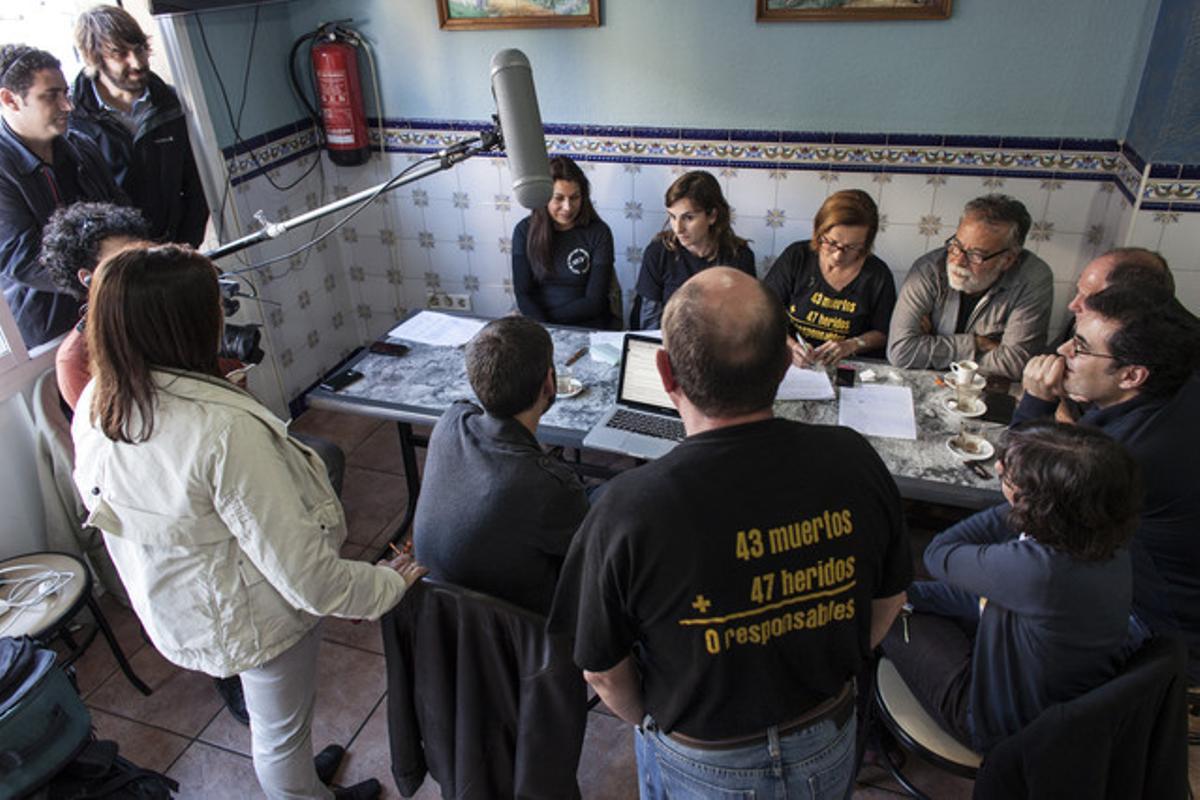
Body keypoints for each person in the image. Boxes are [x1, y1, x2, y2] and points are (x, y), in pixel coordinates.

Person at [71, 244, 424, 800]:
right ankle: (302, 792)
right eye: (216, 307)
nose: (223, 318)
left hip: (182, 601)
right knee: (279, 732)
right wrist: (386, 584)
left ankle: (304, 777)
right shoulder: (222, 433)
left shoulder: (98, 399)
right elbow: (308, 579)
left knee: (277, 724)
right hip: (252, 617)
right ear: (183, 324)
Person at [548, 267, 911, 799]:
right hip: (827, 735)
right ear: (786, 365)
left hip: (701, 756)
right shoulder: (854, 458)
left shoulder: (626, 508)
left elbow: (602, 671)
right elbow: (892, 596)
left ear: (666, 373)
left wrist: (651, 721)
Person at [882, 421, 1140, 753]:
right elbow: (990, 597)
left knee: (879, 611)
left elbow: (938, 554)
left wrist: (1019, 501)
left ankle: (872, 736)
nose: (999, 468)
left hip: (1000, 727)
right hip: (1053, 699)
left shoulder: (1039, 569)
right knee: (905, 598)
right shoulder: (1108, 542)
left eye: (1009, 474)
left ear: (1040, 503)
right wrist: (911, 595)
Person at [1014, 283, 1200, 682]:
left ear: (1132, 374)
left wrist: (1036, 400)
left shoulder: (1123, 455)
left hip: (1156, 628)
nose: (1062, 354)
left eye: (1079, 348)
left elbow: (1020, 491)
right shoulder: (1178, 391)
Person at [413, 315, 588, 616]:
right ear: (549, 382)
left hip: (440, 617)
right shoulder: (548, 485)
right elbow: (594, 558)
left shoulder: (449, 422)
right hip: (524, 633)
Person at [0, 43, 124, 348]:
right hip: (51, 332)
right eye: (51, 96)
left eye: (65, 93)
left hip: (114, 306)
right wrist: (107, 274)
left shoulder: (81, 147)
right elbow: (22, 259)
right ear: (9, 99)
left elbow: (122, 214)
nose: (67, 106)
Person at [70, 5, 209, 246]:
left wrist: (186, 246)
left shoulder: (170, 103)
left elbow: (196, 186)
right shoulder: (73, 121)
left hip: (171, 245)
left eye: (140, 49)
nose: (136, 62)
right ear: (93, 58)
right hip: (119, 259)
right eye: (120, 54)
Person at [887, 194, 1053, 381]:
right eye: (956, 245)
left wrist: (931, 346)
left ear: (1007, 260)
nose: (958, 260)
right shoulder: (929, 269)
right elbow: (901, 351)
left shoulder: (1033, 279)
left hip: (985, 389)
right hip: (931, 382)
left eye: (975, 255)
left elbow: (1016, 364)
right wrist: (976, 344)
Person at [763, 189, 895, 366]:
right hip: (795, 360)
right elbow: (763, 312)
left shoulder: (877, 274)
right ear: (819, 231)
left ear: (866, 244)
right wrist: (791, 346)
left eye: (851, 247)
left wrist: (852, 345)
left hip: (849, 365)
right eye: (832, 243)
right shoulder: (797, 257)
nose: (838, 256)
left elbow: (883, 333)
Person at [43, 201, 150, 410]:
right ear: (88, 278)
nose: (143, 267)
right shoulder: (75, 359)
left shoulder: (171, 303)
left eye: (142, 253)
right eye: (123, 261)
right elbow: (112, 432)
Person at [632, 170, 755, 329]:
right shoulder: (658, 252)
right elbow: (650, 321)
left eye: (688, 218)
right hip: (668, 343)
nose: (678, 228)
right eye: (672, 216)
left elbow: (744, 322)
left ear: (712, 216)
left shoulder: (739, 257)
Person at [511, 156, 614, 329]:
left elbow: (595, 302)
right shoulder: (523, 231)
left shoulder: (599, 233)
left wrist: (550, 323)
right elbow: (523, 293)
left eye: (574, 198)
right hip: (537, 321)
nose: (567, 207)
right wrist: (542, 325)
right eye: (558, 198)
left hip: (587, 322)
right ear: (544, 197)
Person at [1051, 246, 1174, 348]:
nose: (1072, 305)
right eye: (1078, 291)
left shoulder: (1172, 360)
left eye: (1089, 299)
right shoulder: (1088, 318)